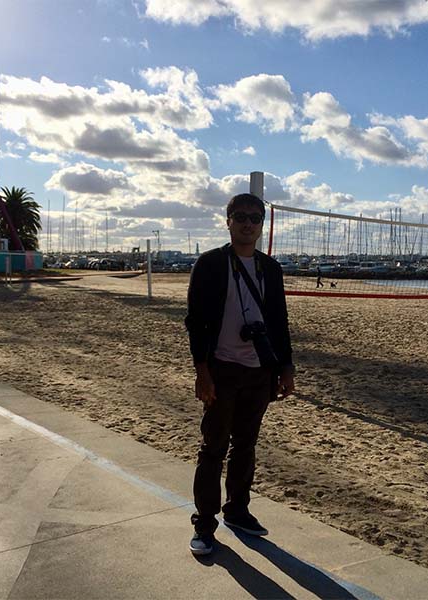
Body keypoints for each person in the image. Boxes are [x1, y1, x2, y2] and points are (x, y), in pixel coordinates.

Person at [185, 192, 295, 556]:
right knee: (213, 447)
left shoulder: (270, 269)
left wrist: (285, 368)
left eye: (255, 217)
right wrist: (202, 371)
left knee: (245, 446)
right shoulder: (211, 264)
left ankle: (237, 510)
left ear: (261, 224)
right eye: (241, 216)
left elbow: (279, 323)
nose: (248, 223)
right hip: (222, 369)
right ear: (228, 220)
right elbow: (196, 323)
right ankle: (204, 523)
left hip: (259, 372)